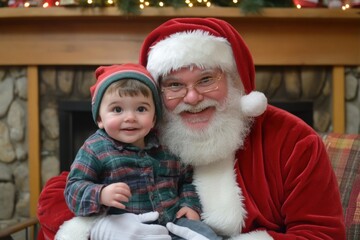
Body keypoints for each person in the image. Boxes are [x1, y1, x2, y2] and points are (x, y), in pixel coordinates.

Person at [37, 18, 346, 240]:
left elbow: (322, 234)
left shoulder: (292, 139)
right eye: (174, 85)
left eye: (206, 80)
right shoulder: (144, 132)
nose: (193, 98)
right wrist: (101, 227)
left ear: (236, 80)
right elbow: (58, 192)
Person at [62, 63, 218, 240]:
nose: (130, 117)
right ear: (100, 118)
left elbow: (187, 179)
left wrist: (189, 204)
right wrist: (101, 194)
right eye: (117, 109)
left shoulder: (166, 146)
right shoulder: (95, 148)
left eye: (141, 109)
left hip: (173, 222)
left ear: (153, 118)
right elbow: (73, 189)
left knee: (207, 235)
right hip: (126, 228)